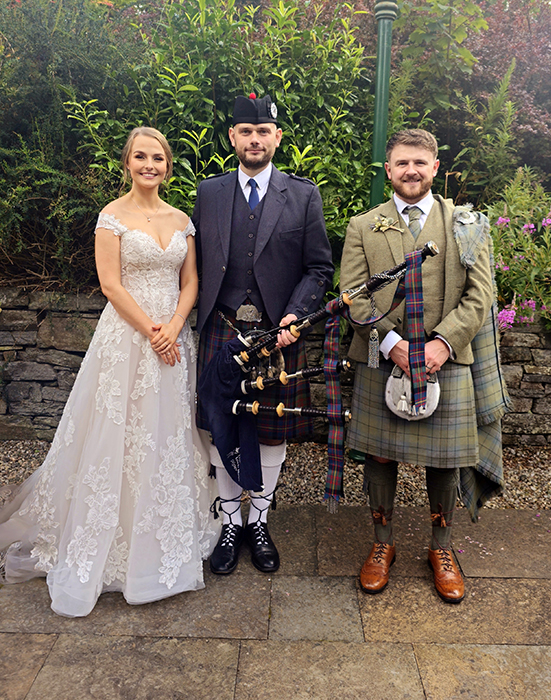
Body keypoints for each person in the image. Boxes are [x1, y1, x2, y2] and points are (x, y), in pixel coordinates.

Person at [0, 126, 220, 617]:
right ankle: (106, 538)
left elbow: (192, 280)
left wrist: (175, 326)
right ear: (127, 163)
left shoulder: (182, 218)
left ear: (167, 165)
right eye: (140, 157)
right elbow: (110, 284)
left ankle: (161, 531)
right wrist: (151, 330)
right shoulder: (111, 217)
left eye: (158, 158)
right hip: (128, 338)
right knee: (119, 432)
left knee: (166, 431)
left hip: (173, 338)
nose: (149, 165)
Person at [340, 129, 508, 604]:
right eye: (401, 163)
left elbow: (481, 296)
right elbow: (353, 295)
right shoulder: (363, 226)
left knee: (446, 458)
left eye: (420, 162)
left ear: (435, 168)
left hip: (447, 359)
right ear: (388, 170)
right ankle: (382, 543)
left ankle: (441, 548)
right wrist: (391, 343)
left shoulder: (467, 224)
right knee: (380, 455)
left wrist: (442, 343)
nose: (410, 170)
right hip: (380, 356)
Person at [192, 93, 334, 575]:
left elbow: (319, 268)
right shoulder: (207, 192)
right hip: (222, 330)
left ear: (277, 137)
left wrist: (296, 315)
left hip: (279, 336)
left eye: (263, 131)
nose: (255, 139)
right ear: (232, 137)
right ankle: (229, 522)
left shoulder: (303, 194)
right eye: (245, 131)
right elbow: (191, 267)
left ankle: (260, 520)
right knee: (221, 425)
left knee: (272, 430)